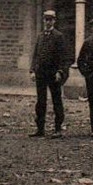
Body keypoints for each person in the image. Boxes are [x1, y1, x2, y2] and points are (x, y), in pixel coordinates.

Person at [29, 8, 68, 138]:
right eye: (46, 20)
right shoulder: (40, 36)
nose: (48, 22)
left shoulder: (59, 36)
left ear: (54, 21)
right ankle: (40, 129)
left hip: (53, 74)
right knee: (41, 101)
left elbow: (63, 57)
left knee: (57, 101)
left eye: (50, 20)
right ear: (43, 20)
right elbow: (35, 55)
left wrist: (60, 71)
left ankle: (58, 129)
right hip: (40, 73)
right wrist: (32, 70)